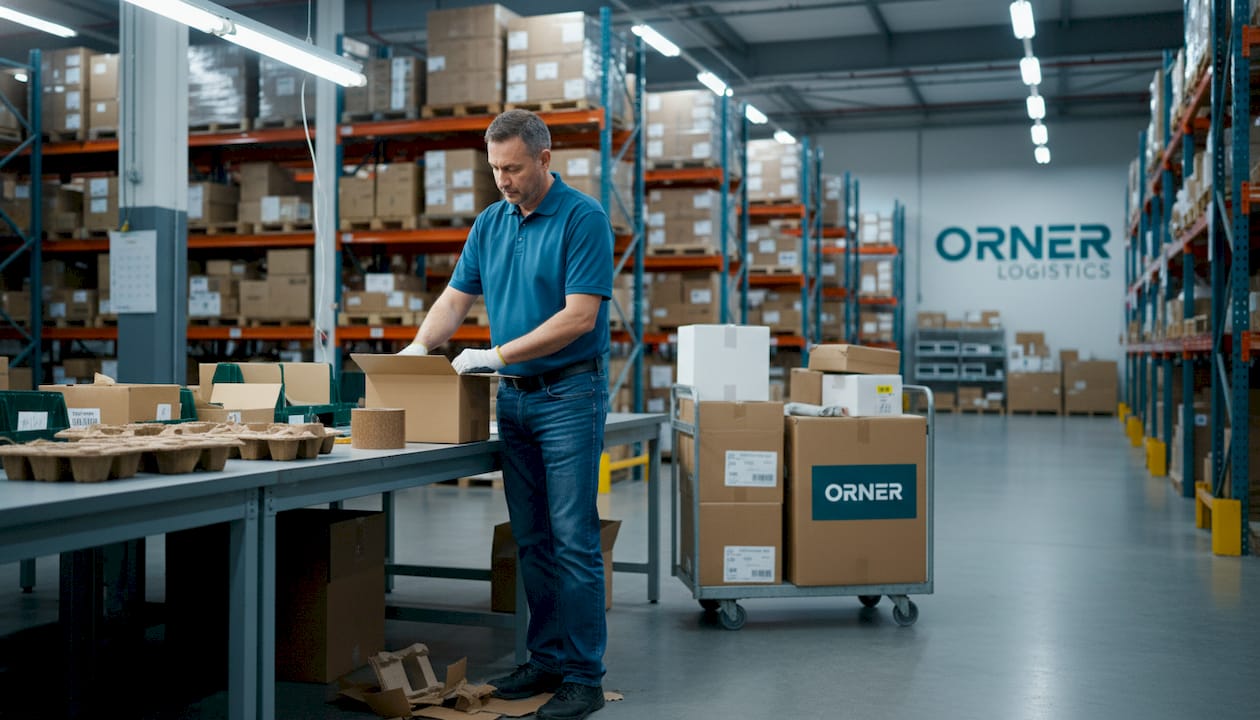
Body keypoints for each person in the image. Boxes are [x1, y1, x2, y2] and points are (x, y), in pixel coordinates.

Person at [397, 109, 612, 720]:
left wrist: (496, 353)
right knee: (533, 539)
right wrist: (420, 347)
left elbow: (580, 317)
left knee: (572, 538)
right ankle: (543, 660)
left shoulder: (583, 217)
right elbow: (455, 297)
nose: (503, 180)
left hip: (569, 395)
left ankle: (583, 677)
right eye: (494, 169)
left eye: (513, 168)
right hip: (514, 400)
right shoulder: (491, 222)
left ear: (545, 159)